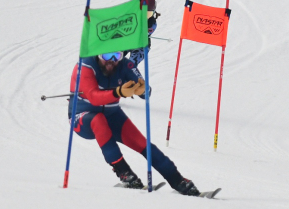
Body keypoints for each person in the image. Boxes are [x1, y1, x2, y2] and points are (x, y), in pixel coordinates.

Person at [69, 46, 202, 195]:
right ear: (98, 54)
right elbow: (94, 97)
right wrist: (118, 92)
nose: (111, 61)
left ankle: (178, 180)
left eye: (117, 56)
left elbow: (147, 92)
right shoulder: (86, 66)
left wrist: (142, 89)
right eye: (107, 56)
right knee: (98, 120)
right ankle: (125, 173)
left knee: (143, 144)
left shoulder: (125, 65)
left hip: (112, 115)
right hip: (83, 117)